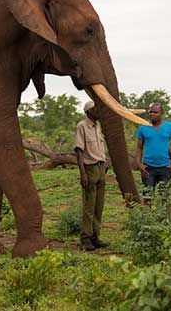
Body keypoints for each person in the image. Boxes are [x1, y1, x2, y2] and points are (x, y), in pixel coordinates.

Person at [74, 100, 110, 251]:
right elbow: (79, 151)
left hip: (101, 168)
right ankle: (85, 238)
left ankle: (96, 236)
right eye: (96, 109)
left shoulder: (98, 126)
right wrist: (82, 173)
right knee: (89, 205)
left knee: (99, 205)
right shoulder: (82, 126)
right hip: (89, 168)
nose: (99, 111)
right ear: (89, 111)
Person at [135, 103, 171, 201]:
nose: (152, 114)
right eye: (150, 112)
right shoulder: (143, 127)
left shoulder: (170, 127)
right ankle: (147, 216)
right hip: (148, 168)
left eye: (155, 112)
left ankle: (164, 216)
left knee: (165, 197)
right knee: (147, 197)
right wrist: (139, 164)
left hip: (165, 167)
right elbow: (139, 148)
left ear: (162, 113)